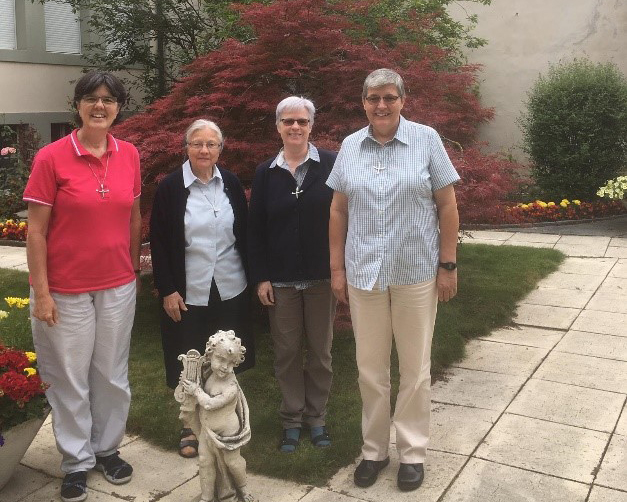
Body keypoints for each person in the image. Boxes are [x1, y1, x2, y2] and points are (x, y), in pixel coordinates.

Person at [326, 68, 460, 492]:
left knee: (415, 369)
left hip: (416, 273)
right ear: (362, 102)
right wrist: (336, 268)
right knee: (370, 369)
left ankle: (413, 453)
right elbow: (338, 211)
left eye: (388, 97)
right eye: (372, 98)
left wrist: (448, 264)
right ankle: (374, 451)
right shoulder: (350, 145)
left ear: (403, 99)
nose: (380, 105)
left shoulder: (426, 139)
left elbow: (447, 204)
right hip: (365, 274)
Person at [23, 70, 141, 502]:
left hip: (116, 285)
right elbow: (36, 232)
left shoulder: (129, 154)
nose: (100, 106)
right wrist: (42, 291)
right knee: (69, 377)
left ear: (119, 108)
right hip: (67, 288)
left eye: (109, 100)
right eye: (92, 99)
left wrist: (132, 268)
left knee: (111, 374)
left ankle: (106, 449)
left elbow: (132, 214)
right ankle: (76, 460)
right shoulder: (51, 157)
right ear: (78, 105)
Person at [150, 119, 254, 459]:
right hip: (187, 289)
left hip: (229, 284)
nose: (204, 150)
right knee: (191, 359)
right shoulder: (170, 188)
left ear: (220, 149)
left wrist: (256, 277)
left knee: (226, 357)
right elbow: (161, 243)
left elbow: (245, 232)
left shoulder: (231, 183)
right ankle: (189, 426)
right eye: (198, 144)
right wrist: (167, 288)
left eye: (211, 144)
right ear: (187, 148)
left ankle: (227, 417)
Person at [248, 96, 337, 452]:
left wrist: (340, 270)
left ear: (311, 126)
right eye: (288, 121)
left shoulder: (331, 165)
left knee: (321, 353)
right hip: (281, 281)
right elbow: (255, 230)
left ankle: (317, 419)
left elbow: (343, 217)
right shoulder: (265, 172)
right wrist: (262, 277)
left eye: (301, 121)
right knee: (286, 354)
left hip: (322, 278)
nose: (295, 127)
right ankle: (291, 420)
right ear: (278, 127)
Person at [179, 330, 255, 502]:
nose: (224, 367)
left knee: (233, 463)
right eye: (220, 359)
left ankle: (244, 489)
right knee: (205, 461)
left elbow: (209, 404)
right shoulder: (208, 373)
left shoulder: (230, 387)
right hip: (208, 430)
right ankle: (206, 497)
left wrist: (196, 391)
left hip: (227, 434)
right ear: (210, 354)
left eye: (231, 363)